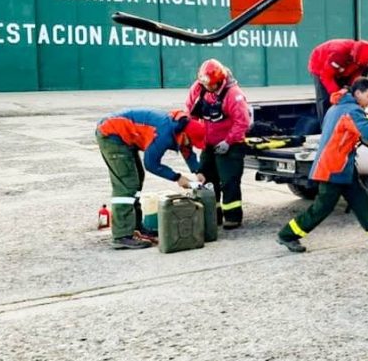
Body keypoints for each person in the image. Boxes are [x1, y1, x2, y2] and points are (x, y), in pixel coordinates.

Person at [276, 77, 368, 253]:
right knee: (322, 207)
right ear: (358, 93)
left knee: (361, 200)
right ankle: (287, 235)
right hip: (334, 168)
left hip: (342, 166)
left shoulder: (336, 107)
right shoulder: (352, 111)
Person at [95, 109, 207, 249]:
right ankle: (122, 235)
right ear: (184, 135)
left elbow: (187, 149)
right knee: (127, 184)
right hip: (111, 134)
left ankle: (135, 227)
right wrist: (177, 177)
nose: (191, 145)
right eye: (191, 141)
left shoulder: (180, 127)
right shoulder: (163, 134)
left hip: (122, 134)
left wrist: (198, 171)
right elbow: (151, 164)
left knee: (137, 180)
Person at [186, 58, 251, 230]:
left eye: (212, 85)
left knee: (229, 181)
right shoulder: (198, 88)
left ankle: (233, 217)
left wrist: (228, 141)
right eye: (205, 84)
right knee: (207, 180)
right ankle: (213, 216)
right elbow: (191, 114)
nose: (208, 88)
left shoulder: (233, 94)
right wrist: (195, 135)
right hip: (208, 143)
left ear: (220, 81)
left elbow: (242, 122)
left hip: (231, 144)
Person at [308, 39, 368, 121]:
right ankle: (325, 124)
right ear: (353, 54)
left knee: (347, 94)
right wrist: (337, 94)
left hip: (344, 67)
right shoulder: (338, 53)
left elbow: (356, 76)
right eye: (357, 62)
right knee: (325, 99)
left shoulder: (364, 60)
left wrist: (351, 89)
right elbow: (326, 76)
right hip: (320, 65)